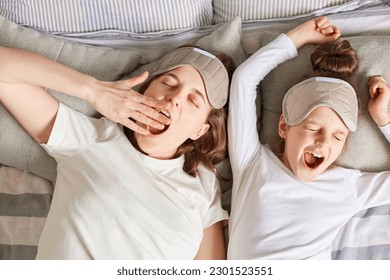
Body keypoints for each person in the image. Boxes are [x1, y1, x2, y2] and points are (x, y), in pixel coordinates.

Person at [0, 46, 234, 259]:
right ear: (144, 91)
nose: (174, 98)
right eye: (169, 83)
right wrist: (92, 90)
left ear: (199, 130)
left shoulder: (203, 182)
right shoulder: (93, 139)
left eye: (194, 101)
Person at [227, 16, 390, 259]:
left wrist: (383, 118)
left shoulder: (348, 187)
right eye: (313, 128)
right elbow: (244, 80)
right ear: (284, 126)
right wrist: (298, 38)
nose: (324, 142)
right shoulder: (251, 163)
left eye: (338, 136)